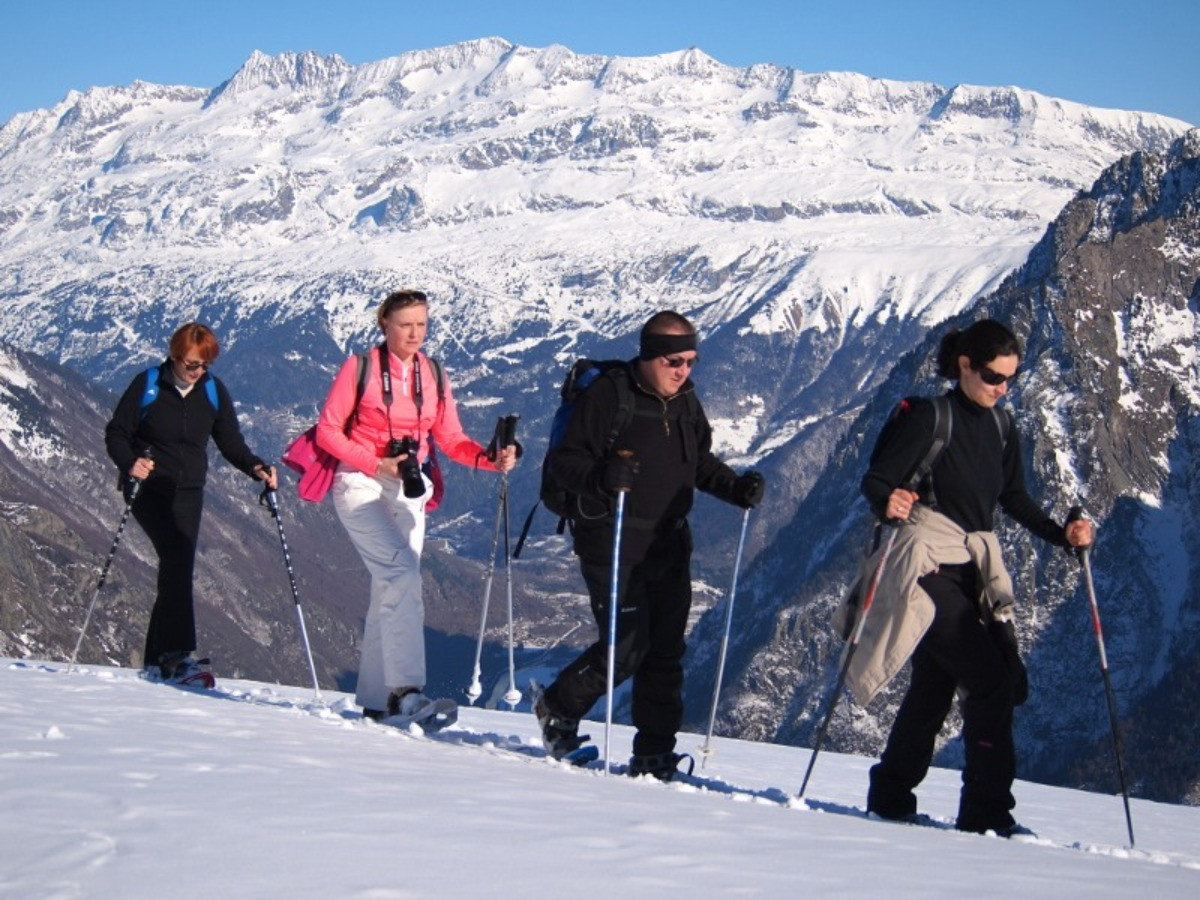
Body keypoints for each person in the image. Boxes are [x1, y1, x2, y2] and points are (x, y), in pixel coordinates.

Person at [857, 318, 1092, 836]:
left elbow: (1012, 499)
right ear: (964, 365)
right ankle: (986, 814)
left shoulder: (1003, 427)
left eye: (1009, 378)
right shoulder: (928, 418)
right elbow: (875, 480)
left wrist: (1062, 534)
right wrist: (888, 500)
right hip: (924, 568)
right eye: (992, 376)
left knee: (935, 688)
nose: (1001, 387)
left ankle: (891, 798)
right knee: (992, 680)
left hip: (970, 571)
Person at [533, 310, 765, 779]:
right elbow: (564, 463)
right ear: (649, 356)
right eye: (674, 361)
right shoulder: (608, 396)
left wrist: (734, 488)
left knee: (665, 651)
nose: (684, 371)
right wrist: (602, 478)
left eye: (691, 361)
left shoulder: (684, 402)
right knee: (626, 647)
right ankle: (558, 706)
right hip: (612, 537)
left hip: (669, 541)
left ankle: (655, 753)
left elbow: (697, 462)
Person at [315, 289, 518, 722]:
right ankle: (405, 692)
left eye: (422, 324)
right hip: (359, 481)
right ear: (384, 324)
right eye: (405, 324)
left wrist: (489, 458)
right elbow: (328, 432)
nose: (414, 333)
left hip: (408, 486)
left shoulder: (435, 374)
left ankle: (375, 700)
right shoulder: (361, 367)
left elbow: (450, 438)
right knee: (402, 574)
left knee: (392, 586)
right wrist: (376, 463)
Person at [104, 322, 277, 684]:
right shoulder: (148, 383)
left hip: (188, 492)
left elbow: (230, 442)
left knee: (175, 567)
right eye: (191, 365)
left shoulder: (212, 391)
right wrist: (130, 462)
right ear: (174, 357)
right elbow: (117, 433)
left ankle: (157, 659)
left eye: (204, 365)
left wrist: (256, 466)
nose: (197, 372)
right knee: (178, 561)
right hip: (148, 490)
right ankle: (178, 655)